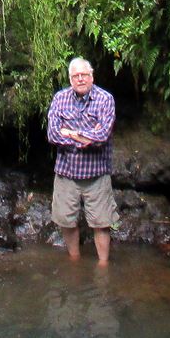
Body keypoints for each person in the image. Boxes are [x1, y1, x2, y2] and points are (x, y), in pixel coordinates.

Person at [46, 57, 116, 264]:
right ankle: (74, 259)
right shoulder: (60, 99)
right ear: (70, 79)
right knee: (66, 221)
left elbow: (102, 135)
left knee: (101, 223)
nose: (80, 79)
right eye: (76, 76)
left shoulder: (105, 99)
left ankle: (103, 265)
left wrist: (70, 133)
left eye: (84, 75)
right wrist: (84, 136)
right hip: (66, 172)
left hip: (97, 173)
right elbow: (52, 135)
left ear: (92, 76)